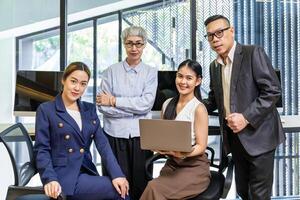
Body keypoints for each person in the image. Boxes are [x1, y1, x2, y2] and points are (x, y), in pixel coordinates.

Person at [202, 15, 285, 200]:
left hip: (260, 137)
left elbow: (272, 90)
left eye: (219, 33)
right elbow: (214, 99)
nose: (215, 39)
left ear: (231, 31)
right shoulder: (214, 66)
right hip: (235, 141)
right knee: (242, 192)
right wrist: (190, 106)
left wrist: (245, 117)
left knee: (259, 195)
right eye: (210, 36)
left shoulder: (252, 53)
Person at [34, 62, 129, 200]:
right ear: (63, 80)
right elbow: (42, 149)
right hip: (63, 177)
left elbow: (103, 145)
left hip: (86, 170)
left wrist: (117, 174)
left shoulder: (89, 110)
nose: (77, 88)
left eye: (83, 84)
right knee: (119, 192)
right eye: (73, 81)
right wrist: (50, 179)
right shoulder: (46, 109)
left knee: (121, 185)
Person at [96, 26, 158, 200]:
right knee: (115, 184)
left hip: (141, 136)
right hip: (114, 135)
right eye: (129, 43)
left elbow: (146, 105)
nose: (134, 48)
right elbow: (103, 107)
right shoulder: (110, 72)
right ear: (124, 44)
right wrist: (133, 110)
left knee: (141, 184)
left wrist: (115, 101)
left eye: (138, 43)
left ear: (144, 45)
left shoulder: (150, 73)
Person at [140, 59, 211, 200]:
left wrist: (181, 154)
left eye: (189, 78)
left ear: (198, 81)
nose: (183, 81)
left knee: (154, 189)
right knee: (153, 187)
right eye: (180, 76)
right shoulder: (167, 104)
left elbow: (201, 147)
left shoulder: (199, 109)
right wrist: (160, 147)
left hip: (194, 169)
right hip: (172, 165)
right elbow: (164, 137)